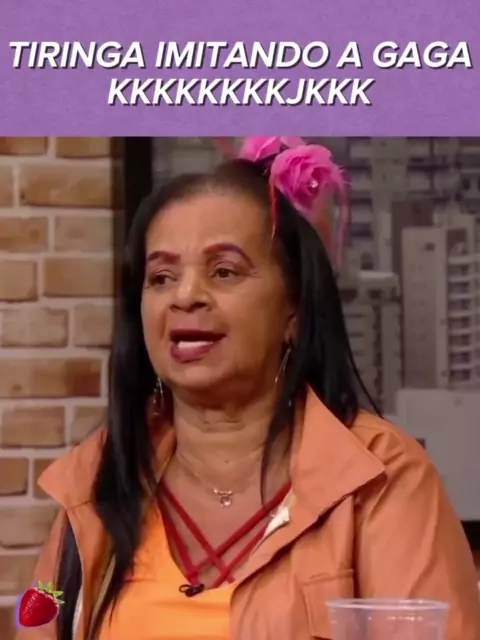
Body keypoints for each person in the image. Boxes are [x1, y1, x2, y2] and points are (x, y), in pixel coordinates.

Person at [18, 137, 480, 640]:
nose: (185, 296)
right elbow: (38, 615)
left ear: (293, 312)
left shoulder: (381, 478)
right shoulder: (98, 481)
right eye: (162, 277)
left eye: (224, 271)